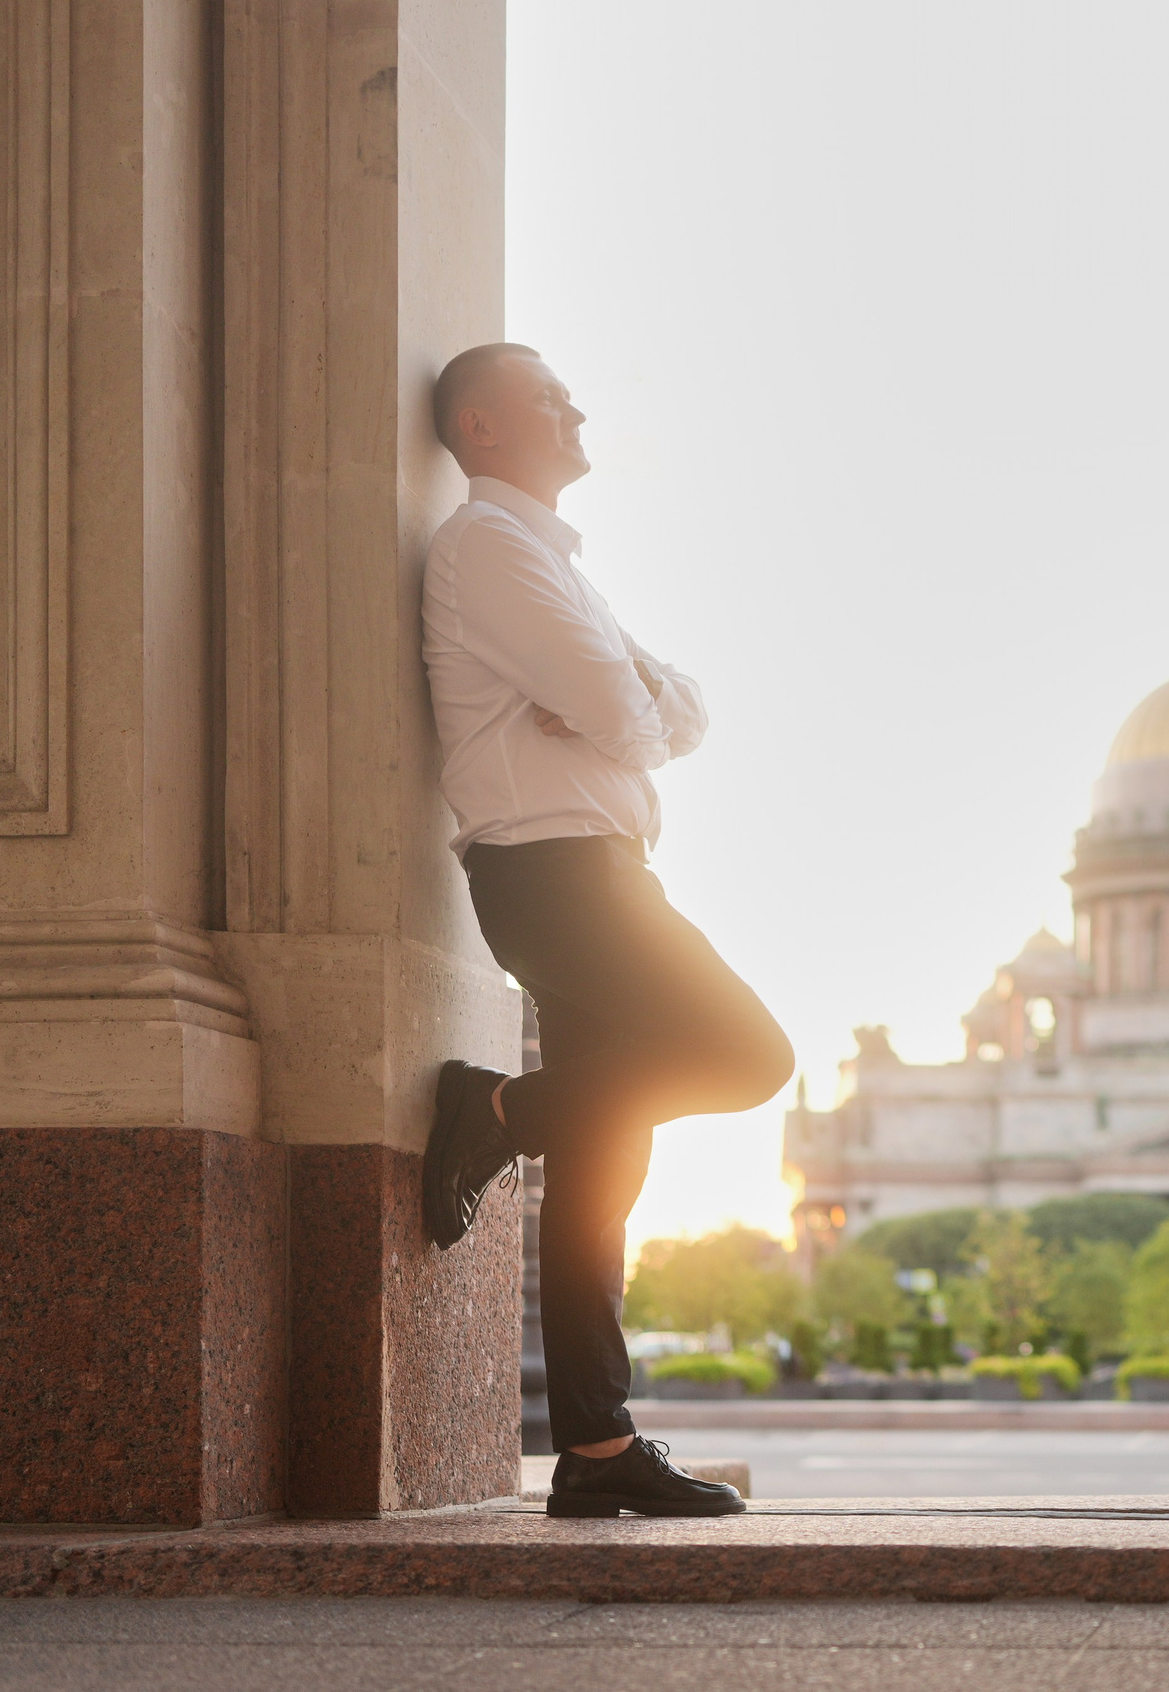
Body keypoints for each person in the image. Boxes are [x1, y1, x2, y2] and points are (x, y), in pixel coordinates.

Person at [418, 342, 796, 1519]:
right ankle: (489, 1111)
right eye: (547, 394)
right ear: (481, 427)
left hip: (585, 865)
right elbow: (633, 720)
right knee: (749, 1055)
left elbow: (673, 705)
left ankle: (593, 1448)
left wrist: (621, 699)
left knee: (603, 1162)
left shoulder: (544, 560)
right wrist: (620, 704)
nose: (576, 406)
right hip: (560, 870)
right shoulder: (486, 547)